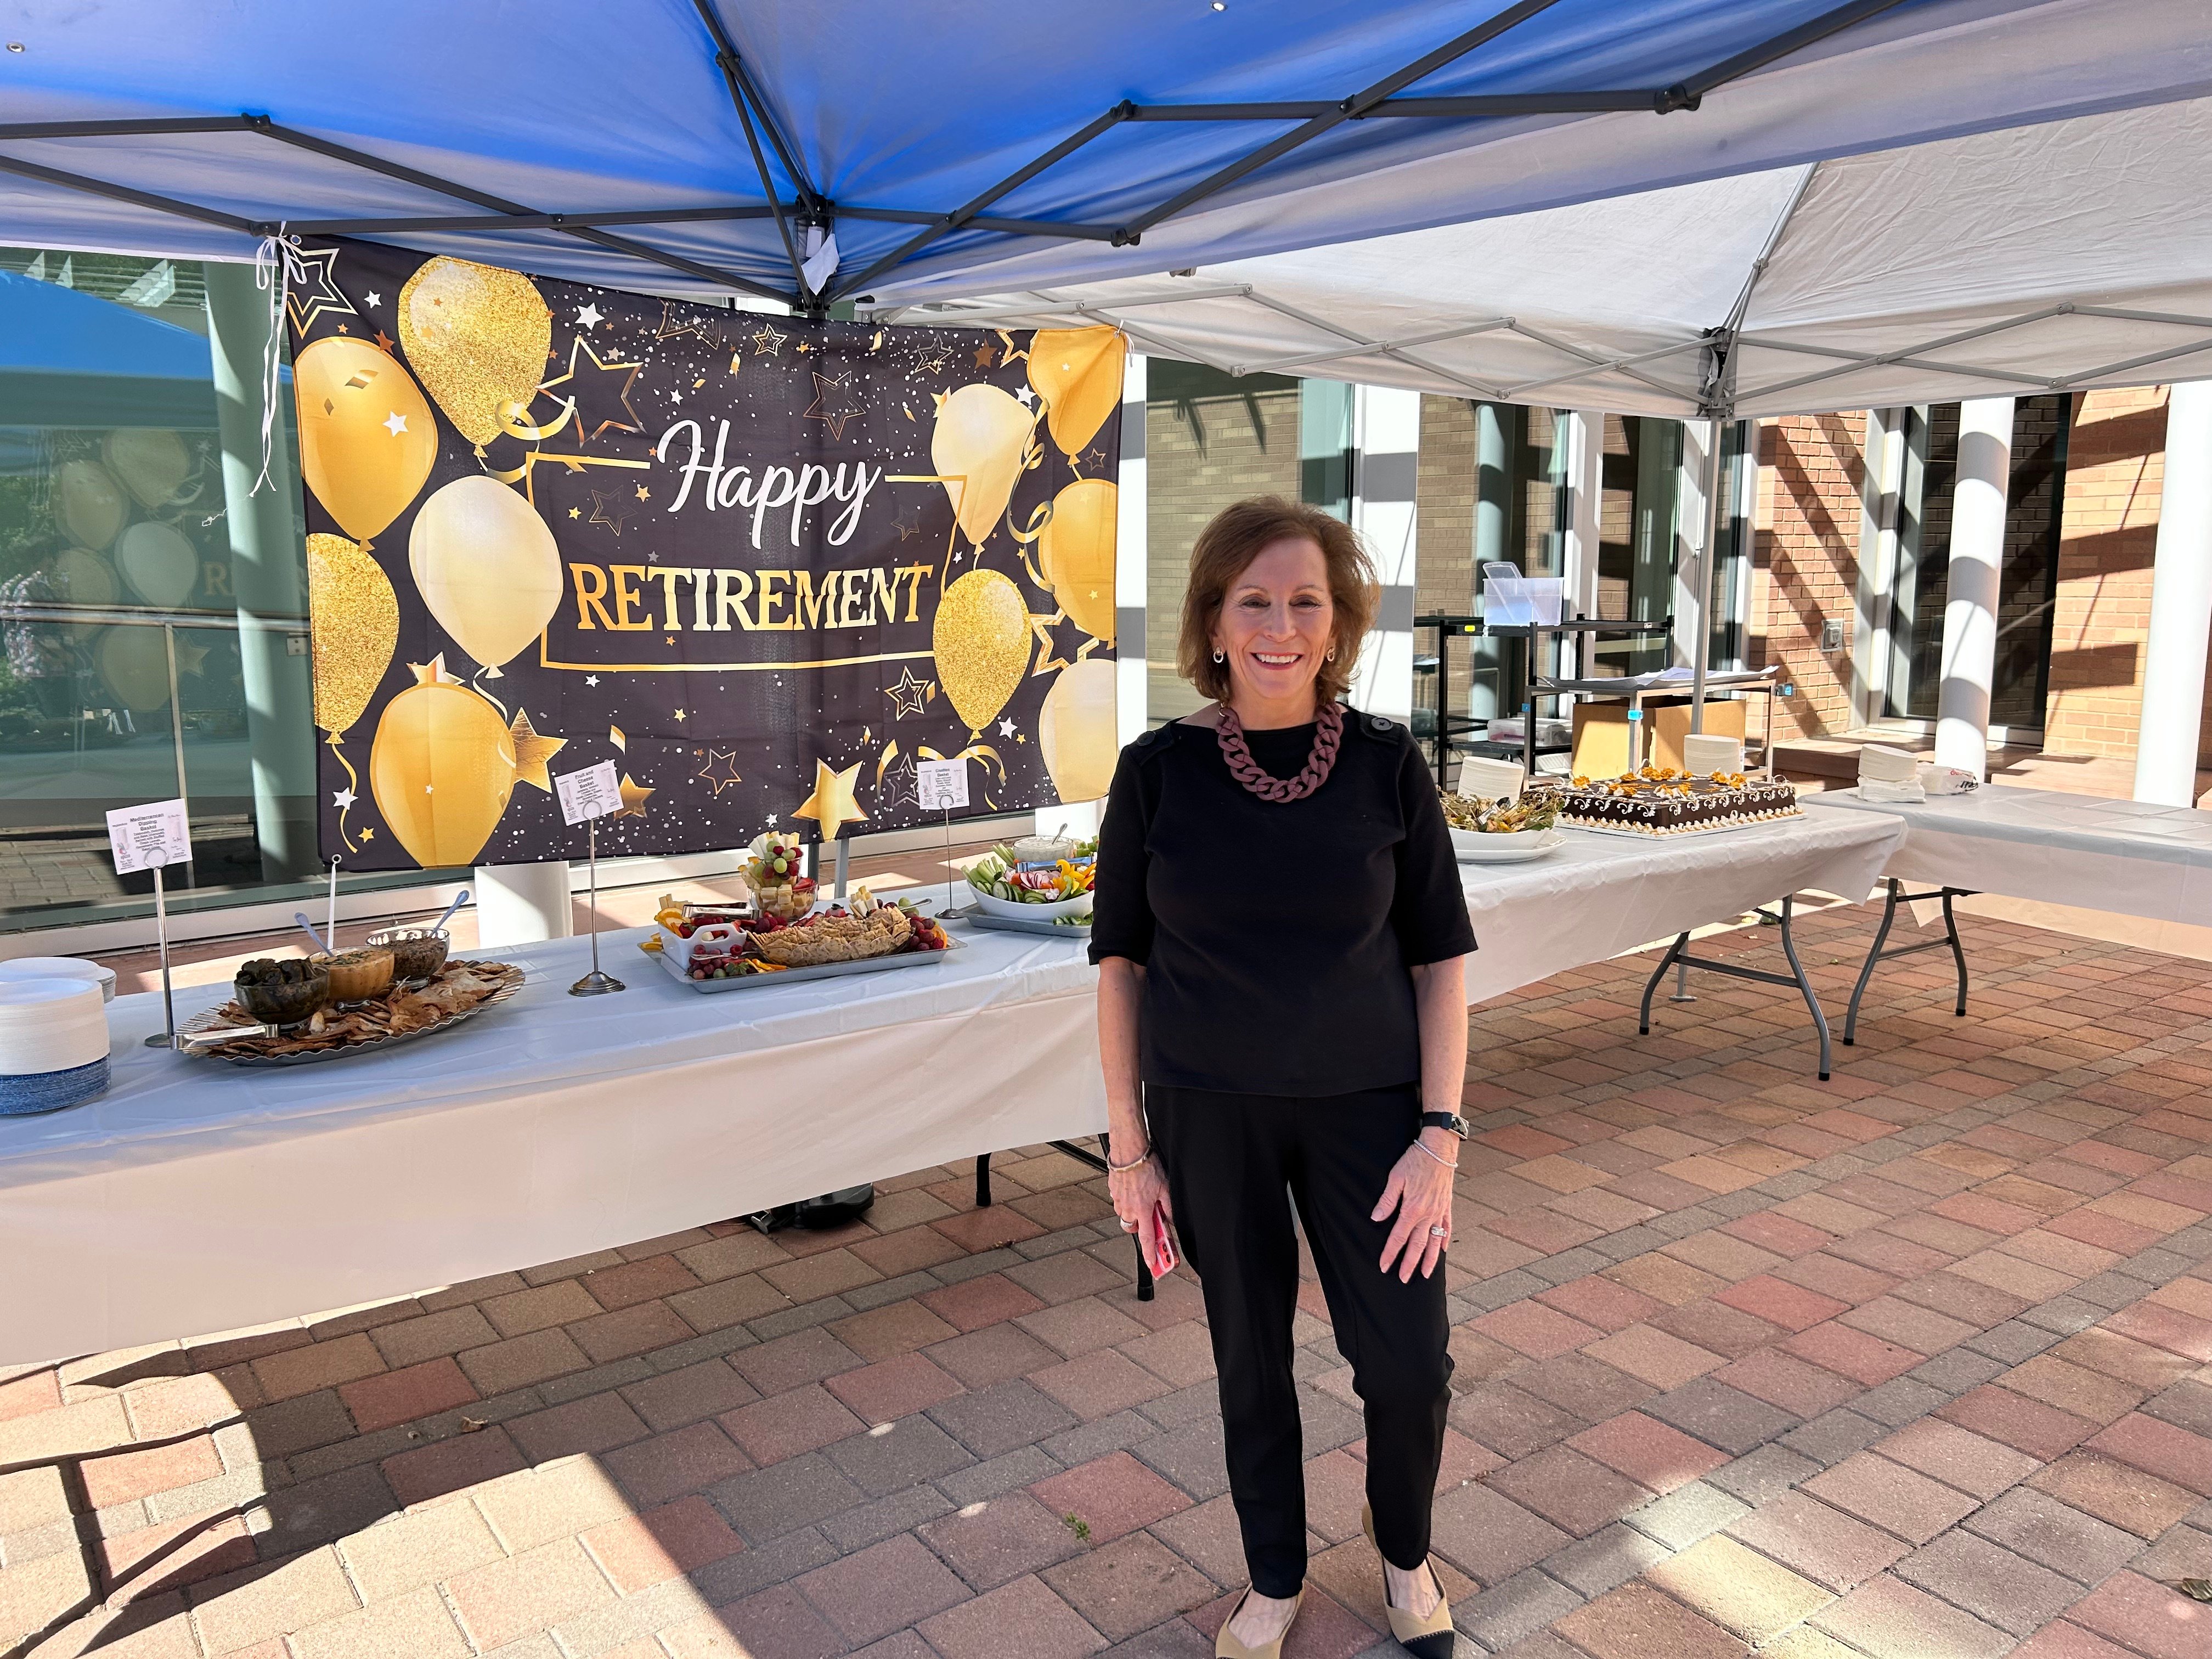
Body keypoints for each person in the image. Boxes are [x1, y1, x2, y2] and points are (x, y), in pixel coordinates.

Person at [1089, 496, 1476, 1659]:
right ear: (1213, 623)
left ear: (1338, 623)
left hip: (1374, 1116)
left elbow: (1440, 957)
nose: (1279, 625)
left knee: (1409, 1365)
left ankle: (1402, 1549)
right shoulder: (1155, 772)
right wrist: (1129, 1149)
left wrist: (1442, 1135)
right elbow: (1120, 969)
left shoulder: (1384, 763)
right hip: (1209, 1117)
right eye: (1252, 600)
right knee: (1249, 1356)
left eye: (1306, 600)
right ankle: (1274, 1574)